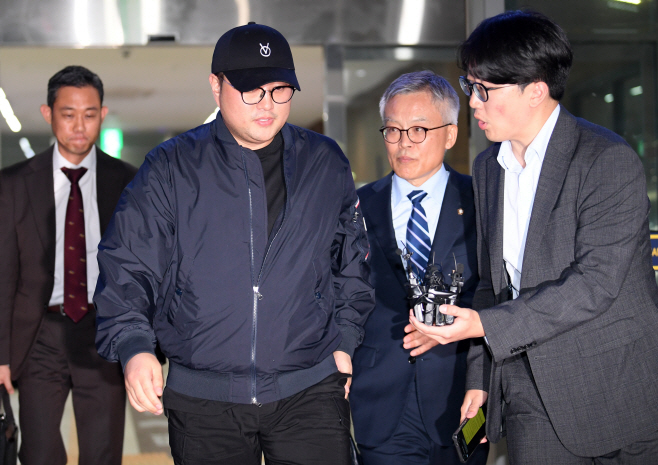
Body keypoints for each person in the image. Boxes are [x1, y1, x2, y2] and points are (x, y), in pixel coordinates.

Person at [93, 22, 374, 465]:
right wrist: (134, 344)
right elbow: (128, 264)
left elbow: (352, 263)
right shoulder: (171, 167)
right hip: (205, 398)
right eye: (251, 90)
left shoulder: (324, 162)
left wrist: (345, 339)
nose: (268, 104)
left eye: (280, 90)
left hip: (309, 388)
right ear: (216, 86)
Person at [410, 10, 658, 464]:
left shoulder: (607, 161)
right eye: (470, 86)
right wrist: (479, 377)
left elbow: (596, 284)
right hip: (528, 385)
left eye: (484, 89)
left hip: (616, 391)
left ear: (536, 91)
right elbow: (491, 285)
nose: (473, 102)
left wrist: (485, 326)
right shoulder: (488, 168)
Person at [0, 65, 137, 465]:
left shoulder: (127, 181)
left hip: (102, 332)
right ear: (48, 114)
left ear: (103, 114)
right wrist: (1, 354)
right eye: (68, 114)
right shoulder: (13, 185)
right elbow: (3, 274)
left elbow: (139, 270)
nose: (79, 126)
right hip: (39, 334)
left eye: (90, 114)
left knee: (103, 452)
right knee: (39, 452)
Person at [349, 71, 488, 465]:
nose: (403, 143)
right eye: (393, 130)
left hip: (461, 393)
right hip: (381, 400)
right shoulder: (357, 206)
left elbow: (498, 289)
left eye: (418, 130)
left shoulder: (482, 201)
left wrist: (451, 327)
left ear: (450, 134)